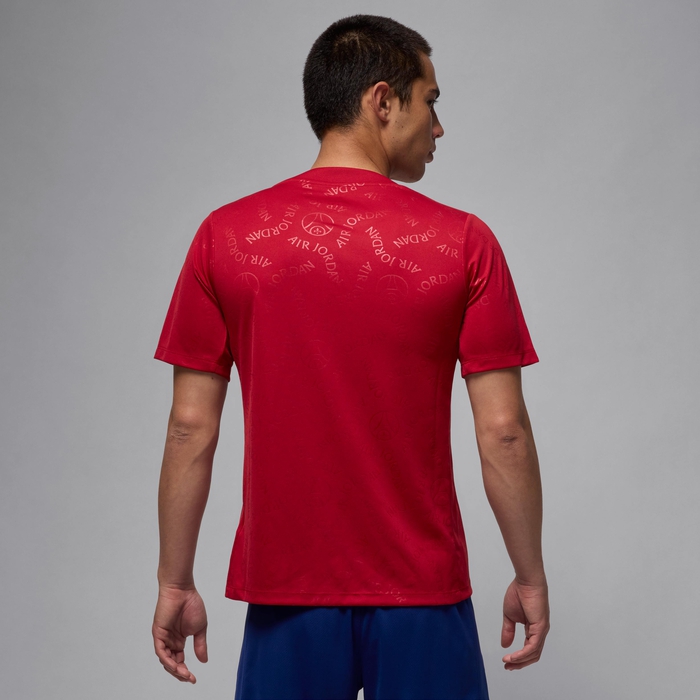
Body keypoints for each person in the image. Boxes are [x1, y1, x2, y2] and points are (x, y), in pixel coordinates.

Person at [151, 14, 549, 700]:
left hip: (286, 597)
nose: (439, 127)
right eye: (431, 101)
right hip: (422, 595)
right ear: (383, 101)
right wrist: (530, 574)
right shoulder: (462, 243)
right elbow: (503, 431)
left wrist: (174, 581)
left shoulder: (226, 238)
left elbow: (191, 428)